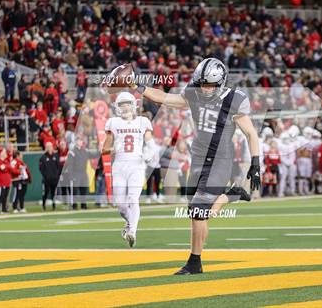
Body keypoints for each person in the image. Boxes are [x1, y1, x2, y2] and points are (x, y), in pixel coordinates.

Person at [129, 57, 260, 275]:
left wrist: (255, 162)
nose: (205, 89)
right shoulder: (194, 92)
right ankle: (232, 195)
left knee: (198, 211)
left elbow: (250, 132)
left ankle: (194, 262)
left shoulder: (233, 100)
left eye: (209, 85)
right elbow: (165, 98)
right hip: (197, 159)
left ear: (221, 82)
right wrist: (137, 87)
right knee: (198, 214)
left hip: (219, 160)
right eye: (202, 84)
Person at [102, 92, 156, 247]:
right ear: (117, 107)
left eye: (127, 103)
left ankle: (132, 231)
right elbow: (104, 148)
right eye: (122, 104)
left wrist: (149, 153)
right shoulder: (113, 122)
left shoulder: (143, 121)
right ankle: (129, 223)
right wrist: (112, 149)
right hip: (119, 165)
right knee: (120, 203)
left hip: (137, 164)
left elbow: (150, 142)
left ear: (134, 104)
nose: (125, 107)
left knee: (133, 199)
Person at [0, 147, 18, 214]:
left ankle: (4, 209)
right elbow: (3, 169)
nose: (5, 153)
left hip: (7, 182)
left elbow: (9, 168)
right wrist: (8, 167)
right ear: (0, 153)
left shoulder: (6, 161)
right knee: (0, 195)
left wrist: (8, 167)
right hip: (1, 182)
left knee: (5, 196)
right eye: (4, 152)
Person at [39, 142, 60, 211]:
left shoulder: (55, 156)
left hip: (54, 179)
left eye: (50, 146)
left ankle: (54, 206)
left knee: (54, 193)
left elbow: (58, 167)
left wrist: (56, 175)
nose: (49, 148)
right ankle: (43, 205)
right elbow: (41, 169)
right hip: (46, 180)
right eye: (48, 146)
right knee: (45, 193)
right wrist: (46, 176)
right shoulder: (43, 157)